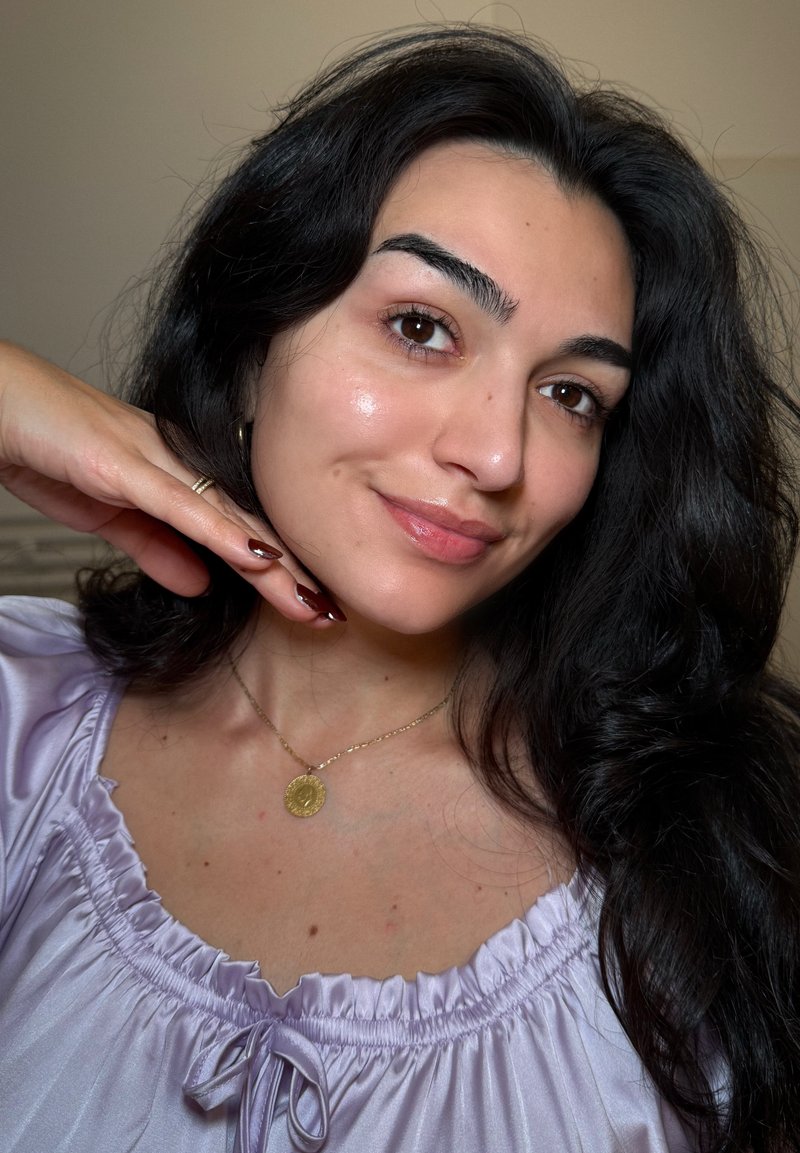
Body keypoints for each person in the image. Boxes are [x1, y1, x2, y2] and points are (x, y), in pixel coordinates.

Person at [0, 24, 798, 1153]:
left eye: (570, 394)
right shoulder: (21, 722)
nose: (496, 455)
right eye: (422, 327)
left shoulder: (710, 853)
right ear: (246, 351)